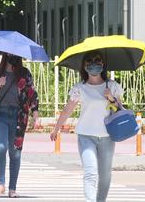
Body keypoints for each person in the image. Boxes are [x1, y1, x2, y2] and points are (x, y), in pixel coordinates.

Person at [50, 50, 124, 202]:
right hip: (86, 136)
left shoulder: (112, 86)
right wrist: (56, 128)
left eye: (97, 60)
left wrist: (110, 97)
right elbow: (67, 109)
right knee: (90, 172)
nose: (94, 64)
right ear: (84, 66)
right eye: (89, 61)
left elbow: (120, 110)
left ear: (103, 64)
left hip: (107, 137)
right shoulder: (80, 88)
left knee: (105, 175)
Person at [0, 53, 39, 198]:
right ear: (5, 55)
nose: (11, 56)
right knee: (1, 148)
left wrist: (35, 115)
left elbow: (32, 94)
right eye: (9, 54)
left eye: (14, 54)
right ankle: (0, 184)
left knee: (15, 153)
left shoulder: (24, 74)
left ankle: (12, 188)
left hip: (18, 117)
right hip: (0, 115)